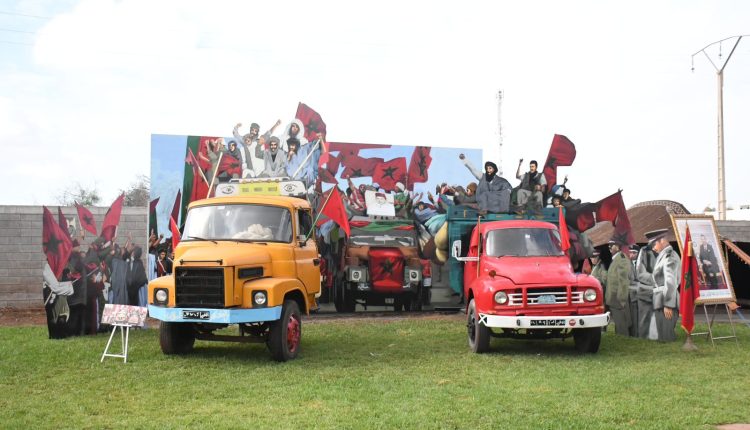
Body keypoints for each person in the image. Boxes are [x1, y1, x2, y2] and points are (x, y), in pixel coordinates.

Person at [649, 228, 681, 342]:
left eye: (654, 244)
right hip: (660, 299)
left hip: (666, 300)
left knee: (666, 337)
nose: (653, 248)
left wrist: (668, 304)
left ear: (662, 240)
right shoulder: (663, 256)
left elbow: (670, 281)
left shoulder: (669, 256)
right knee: (662, 336)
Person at [605, 239, 632, 336]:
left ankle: (623, 340)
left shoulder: (621, 259)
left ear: (617, 246)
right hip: (614, 299)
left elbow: (624, 281)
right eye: (609, 245)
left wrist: (622, 299)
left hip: (618, 299)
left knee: (622, 325)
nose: (609, 247)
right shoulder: (616, 259)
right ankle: (621, 338)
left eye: (612, 245)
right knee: (618, 323)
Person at [635, 241, 657, 339]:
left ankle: (655, 336)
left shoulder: (664, 252)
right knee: (644, 317)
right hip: (646, 290)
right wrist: (657, 279)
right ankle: (644, 337)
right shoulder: (645, 251)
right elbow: (640, 273)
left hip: (658, 290)